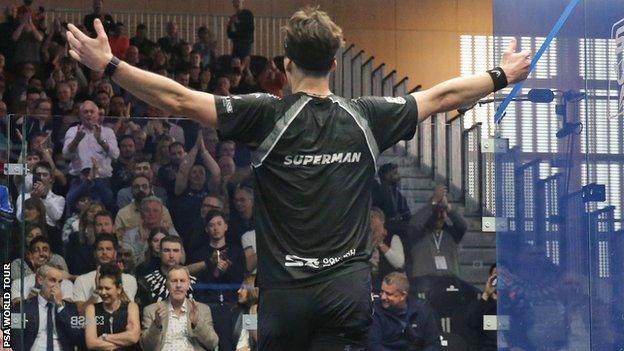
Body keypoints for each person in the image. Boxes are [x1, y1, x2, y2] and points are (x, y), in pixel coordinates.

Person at [66, 8, 530, 348]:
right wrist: (501, 74)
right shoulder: (366, 116)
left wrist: (110, 66)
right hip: (348, 294)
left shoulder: (265, 113)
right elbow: (443, 95)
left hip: (285, 299)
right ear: (333, 64)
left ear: (285, 65)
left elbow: (182, 100)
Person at [141, 265, 219, 350]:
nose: (178, 285)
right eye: (174, 281)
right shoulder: (151, 310)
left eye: (182, 281)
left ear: (188, 284)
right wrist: (156, 325)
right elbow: (146, 347)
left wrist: (197, 323)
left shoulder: (202, 309)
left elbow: (213, 344)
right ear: (167, 284)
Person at [408, 184, 467, 296]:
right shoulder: (418, 233)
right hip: (425, 280)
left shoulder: (451, 234)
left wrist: (448, 208)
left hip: (450, 280)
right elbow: (414, 224)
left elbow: (463, 226)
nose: (440, 215)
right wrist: (433, 202)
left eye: (442, 211)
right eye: (437, 211)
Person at [10, 264, 86, 351]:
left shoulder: (70, 308)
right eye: (52, 280)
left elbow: (79, 339)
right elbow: (15, 340)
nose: (57, 286)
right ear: (40, 280)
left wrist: (60, 306)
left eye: (60, 281)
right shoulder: (20, 308)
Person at [369, 272, 441, 351]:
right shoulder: (375, 310)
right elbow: (374, 346)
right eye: (382, 291)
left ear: (403, 295)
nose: (382, 297)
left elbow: (433, 344)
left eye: (388, 294)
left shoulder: (422, 309)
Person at [72, 233, 138, 314]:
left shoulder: (129, 279)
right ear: (95, 253)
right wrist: (96, 292)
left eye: (109, 249)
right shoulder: (81, 280)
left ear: (115, 253)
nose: (104, 252)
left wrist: (119, 280)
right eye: (100, 249)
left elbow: (129, 311)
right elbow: (79, 313)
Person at [85, 263, 141, 350]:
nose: (103, 292)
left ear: (119, 289)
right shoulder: (91, 309)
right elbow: (91, 343)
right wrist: (124, 341)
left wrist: (104, 337)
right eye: (100, 288)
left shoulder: (131, 307)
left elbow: (133, 337)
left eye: (107, 288)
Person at [135, 235, 198, 309]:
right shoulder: (146, 283)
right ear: (160, 253)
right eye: (166, 250)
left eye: (175, 251)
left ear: (181, 253)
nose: (171, 255)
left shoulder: (194, 282)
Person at [369, 207, 405, 294]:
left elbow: (399, 263)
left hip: (390, 288)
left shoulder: (393, 238)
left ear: (382, 221)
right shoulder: (363, 240)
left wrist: (381, 244)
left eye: (373, 217)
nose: (371, 221)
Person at [466, 264, 497, 351]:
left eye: (504, 276)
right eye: (496, 276)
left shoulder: (515, 304)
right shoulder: (482, 304)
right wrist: (487, 294)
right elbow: (472, 323)